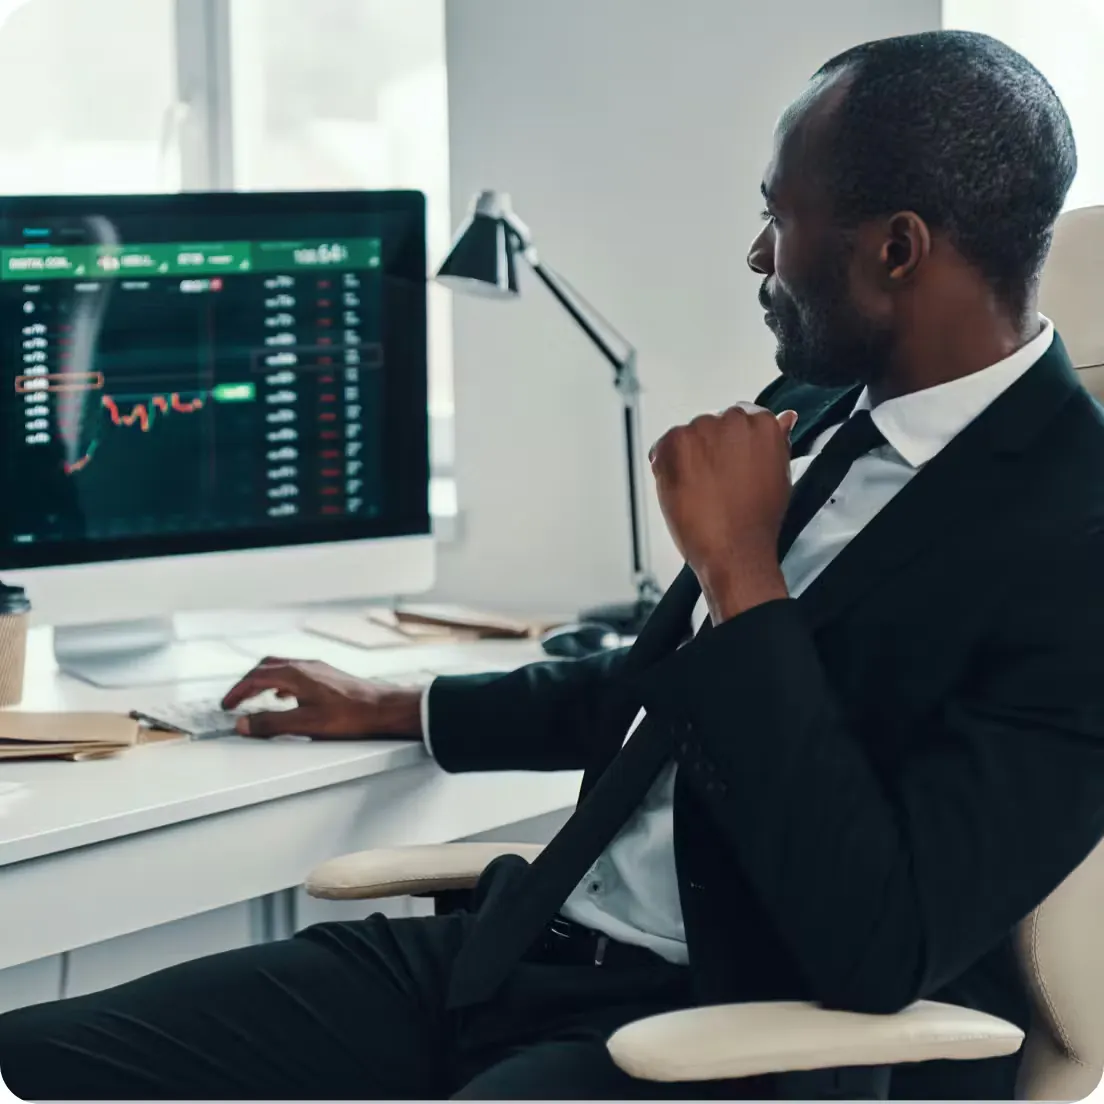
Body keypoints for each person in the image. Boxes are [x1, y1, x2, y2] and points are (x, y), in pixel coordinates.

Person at [3, 28, 1103, 1101]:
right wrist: (405, 705)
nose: (759, 256)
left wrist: (740, 572)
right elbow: (667, 699)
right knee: (37, 1058)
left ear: (895, 249)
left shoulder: (1077, 536)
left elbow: (882, 940)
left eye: (779, 217)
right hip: (518, 958)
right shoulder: (816, 411)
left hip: (738, 1034)